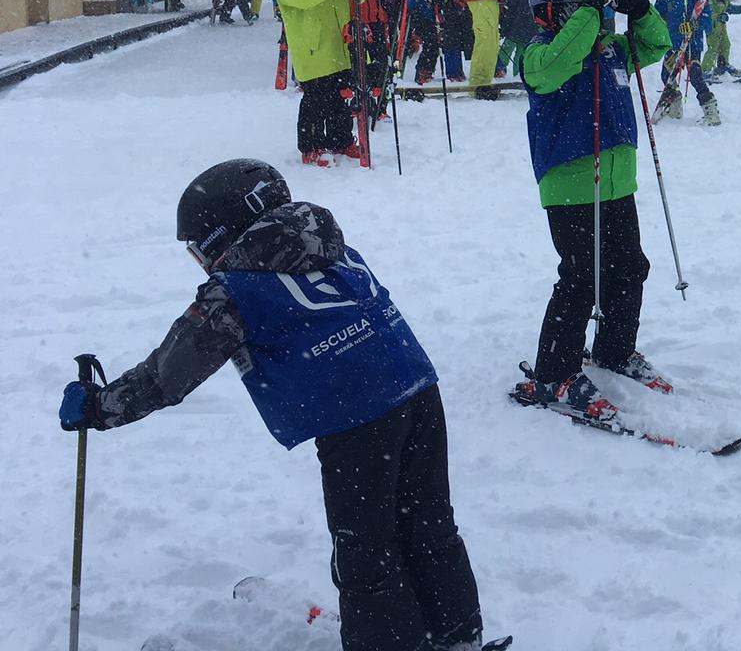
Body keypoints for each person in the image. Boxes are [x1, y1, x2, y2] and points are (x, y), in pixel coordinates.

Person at [56, 159, 505, 651]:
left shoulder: (235, 289)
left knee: (367, 554)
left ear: (217, 237)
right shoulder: (326, 245)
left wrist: (101, 407)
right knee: (427, 521)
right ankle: (456, 634)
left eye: (195, 249)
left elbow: (170, 372)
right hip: (416, 391)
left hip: (357, 421)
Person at [511, 0, 673, 419]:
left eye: (598, 6)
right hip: (572, 187)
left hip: (618, 181)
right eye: (581, 5)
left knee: (628, 268)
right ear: (553, 11)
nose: (599, 15)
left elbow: (657, 44)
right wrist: (589, 9)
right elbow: (563, 61)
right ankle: (552, 375)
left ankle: (615, 350)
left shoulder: (612, 50)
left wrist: (639, 10)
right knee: (582, 279)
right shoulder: (538, 55)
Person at [269, 0, 369, 166]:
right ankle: (312, 146)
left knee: (339, 97)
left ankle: (341, 140)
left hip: (338, 42)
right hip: (312, 45)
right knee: (316, 100)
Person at [655, 0, 719, 124]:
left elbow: (708, 23)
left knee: (696, 77)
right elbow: (656, 16)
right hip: (674, 45)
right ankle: (674, 103)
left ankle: (711, 110)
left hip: (692, 47)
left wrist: (694, 25)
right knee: (667, 76)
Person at [703, 0, 741, 78]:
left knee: (726, 45)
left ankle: (723, 65)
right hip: (712, 28)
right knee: (713, 48)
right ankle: (705, 70)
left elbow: (731, 8)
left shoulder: (724, 0)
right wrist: (718, 17)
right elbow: (709, 14)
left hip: (722, 28)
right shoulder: (711, 0)